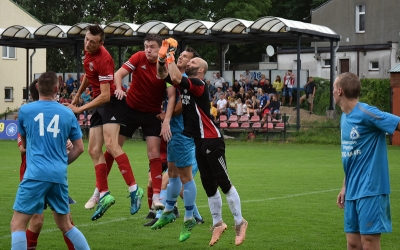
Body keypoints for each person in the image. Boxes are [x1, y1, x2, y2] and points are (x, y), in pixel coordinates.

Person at [158, 43, 248, 246]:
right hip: (199, 141)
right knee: (209, 186)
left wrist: (171, 55)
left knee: (224, 183)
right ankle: (218, 224)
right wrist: (162, 59)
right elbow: (164, 75)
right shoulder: (186, 82)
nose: (189, 62)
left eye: (193, 61)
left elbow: (174, 77)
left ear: (200, 69)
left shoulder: (198, 83)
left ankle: (240, 223)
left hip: (212, 140)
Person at [66, 25, 140, 221]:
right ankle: (105, 194)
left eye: (93, 42)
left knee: (112, 145)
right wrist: (78, 95)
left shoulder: (104, 58)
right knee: (93, 150)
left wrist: (80, 109)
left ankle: (134, 189)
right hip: (99, 104)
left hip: (111, 103)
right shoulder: (88, 51)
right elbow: (89, 76)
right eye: (86, 39)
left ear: (101, 43)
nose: (88, 44)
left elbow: (106, 96)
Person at [11, 71, 90, 250]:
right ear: (57, 88)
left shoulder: (25, 111)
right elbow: (79, 148)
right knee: (66, 225)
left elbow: (24, 144)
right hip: (58, 175)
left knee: (17, 225)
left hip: (35, 174)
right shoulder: (68, 113)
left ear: (37, 87)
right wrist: (61, 162)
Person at [334, 72, 400, 250]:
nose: (332, 92)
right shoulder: (344, 117)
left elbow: (397, 123)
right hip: (352, 188)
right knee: (353, 244)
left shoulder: (367, 112)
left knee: (369, 243)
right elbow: (351, 155)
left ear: (340, 91)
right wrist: (345, 185)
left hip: (371, 188)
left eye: (333, 88)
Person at [111, 33, 175, 211]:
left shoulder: (167, 65)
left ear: (160, 48)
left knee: (154, 153)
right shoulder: (138, 57)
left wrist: (166, 119)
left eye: (152, 46)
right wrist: (118, 89)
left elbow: (171, 95)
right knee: (113, 147)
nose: (148, 49)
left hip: (151, 114)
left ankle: (156, 197)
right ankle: (101, 191)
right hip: (130, 110)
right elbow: (119, 74)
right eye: (146, 46)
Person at [149, 44, 204, 242]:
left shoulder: (187, 80)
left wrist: (166, 119)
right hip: (174, 131)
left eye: (188, 58)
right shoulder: (177, 77)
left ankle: (190, 217)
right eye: (181, 56)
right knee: (172, 175)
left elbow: (179, 101)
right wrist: (162, 59)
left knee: (185, 177)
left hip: (182, 132)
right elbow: (162, 73)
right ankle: (169, 211)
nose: (183, 59)